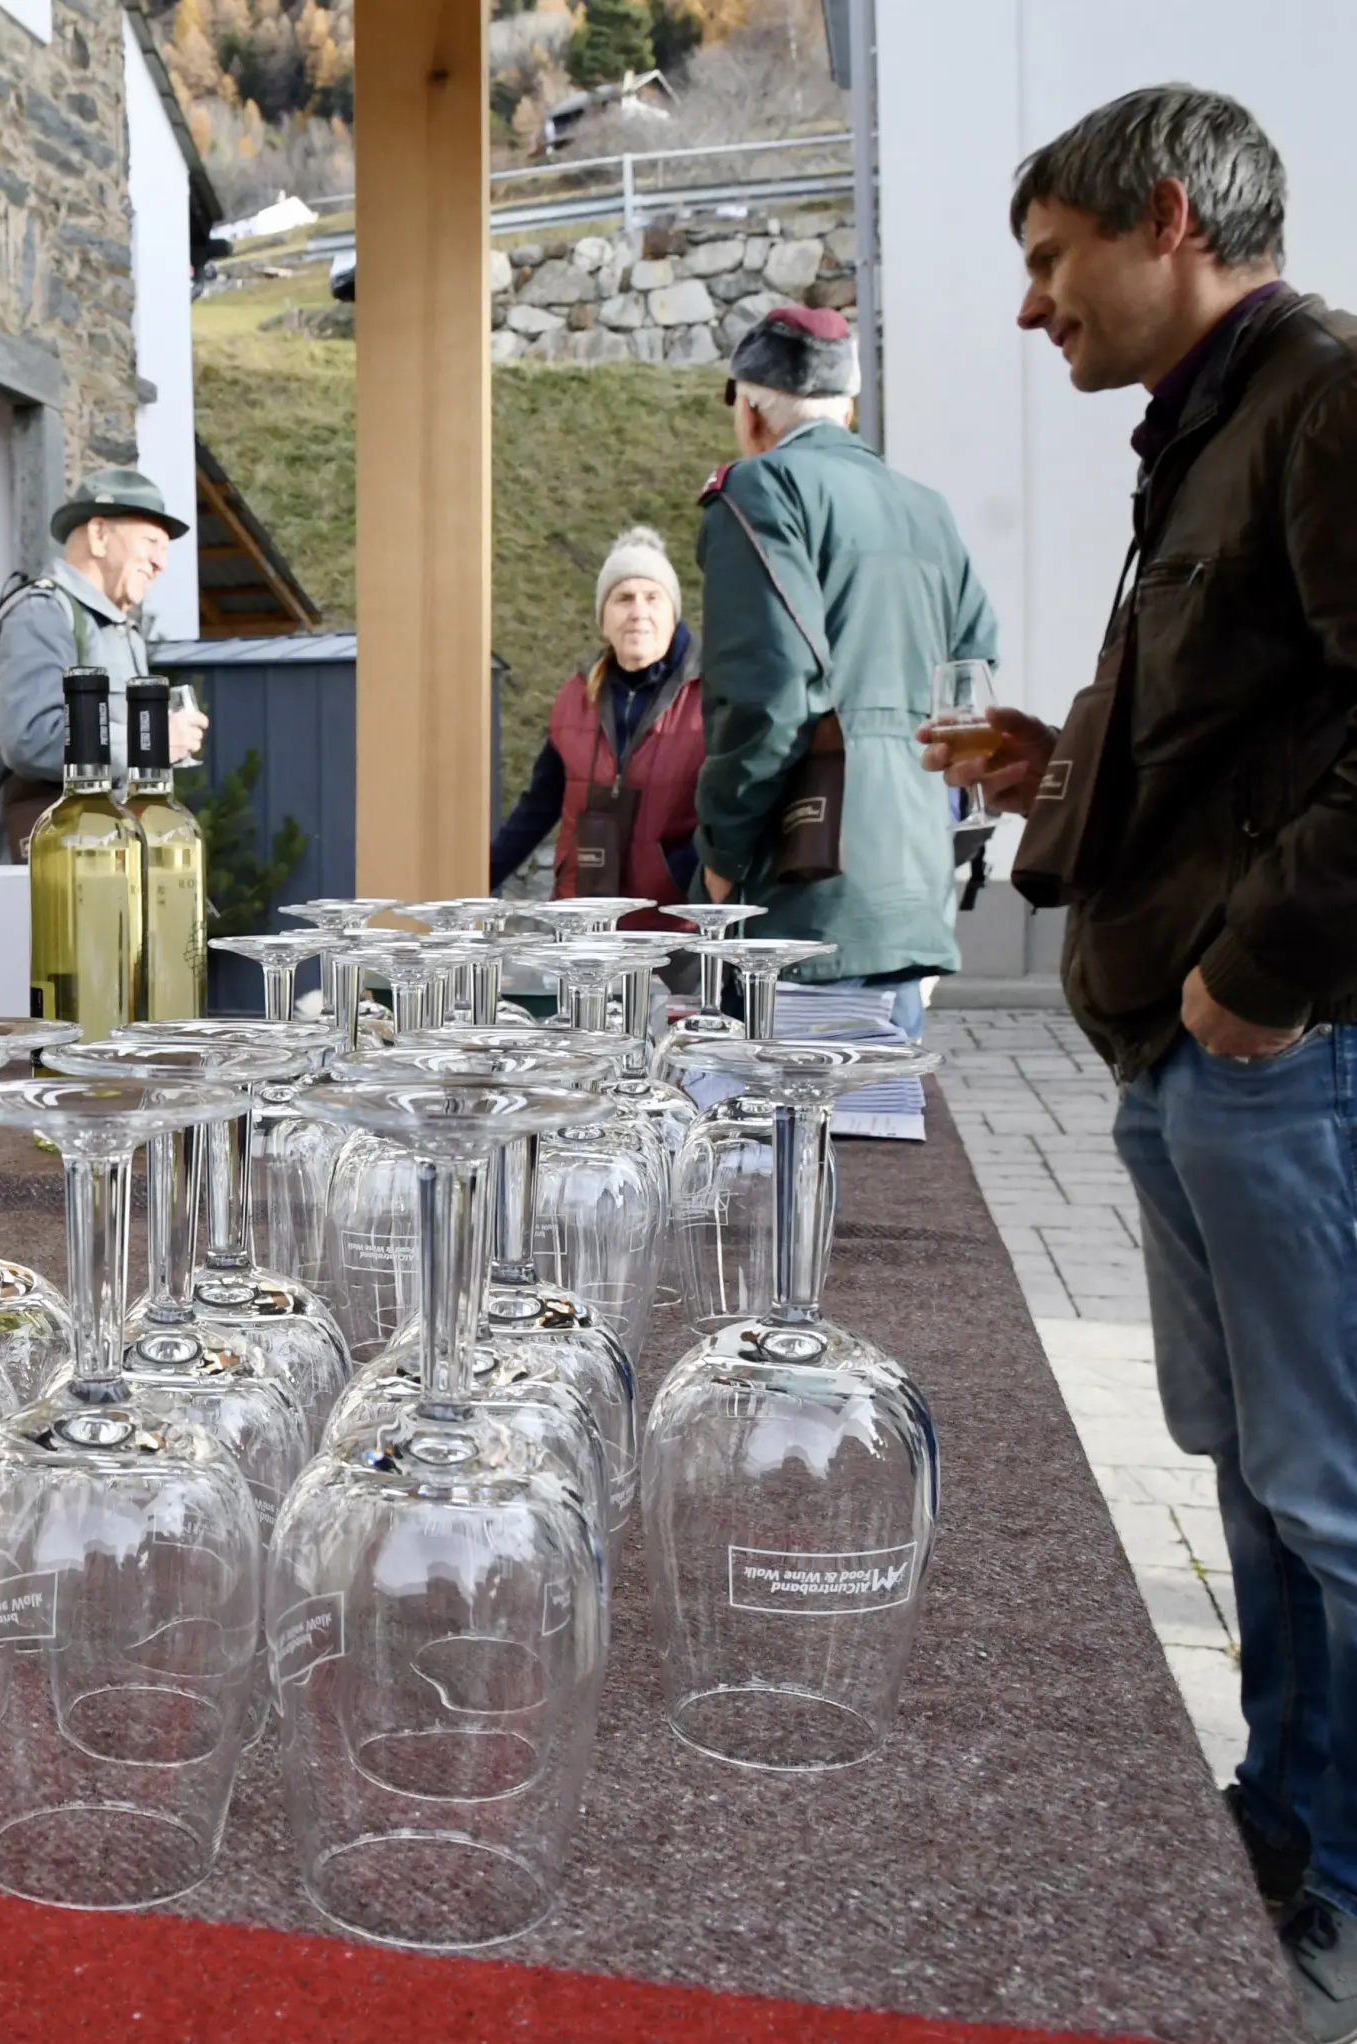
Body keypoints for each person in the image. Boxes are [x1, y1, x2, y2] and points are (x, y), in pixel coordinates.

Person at [931, 86, 1357, 2038]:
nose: (1032, 308)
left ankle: (1329, 1858)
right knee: (1260, 1483)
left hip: (1280, 1056)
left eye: (1047, 258)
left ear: (1165, 217)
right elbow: (1247, 725)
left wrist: (1250, 983)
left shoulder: (1325, 394)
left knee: (1326, 1487)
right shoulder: (1209, 428)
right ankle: (1286, 1818)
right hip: (1199, 1061)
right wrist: (1053, 764)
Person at [693, 305, 998, 1039]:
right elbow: (974, 684)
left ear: (752, 412)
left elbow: (766, 695)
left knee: (778, 1144)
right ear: (850, 407)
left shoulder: (759, 491)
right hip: (916, 888)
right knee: (881, 1142)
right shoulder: (929, 510)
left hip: (803, 889)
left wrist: (721, 856)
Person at [0, 467, 205, 862]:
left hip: (106, 852)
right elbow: (30, 739)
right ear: (99, 534)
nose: (161, 562)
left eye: (165, 549)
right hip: (61, 859)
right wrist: (149, 740)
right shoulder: (41, 614)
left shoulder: (121, 629)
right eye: (151, 542)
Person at [488, 524, 704, 925]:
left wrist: (685, 873)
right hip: (582, 924)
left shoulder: (712, 694)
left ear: (672, 612)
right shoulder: (576, 695)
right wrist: (477, 880)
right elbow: (540, 805)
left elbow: (733, 809)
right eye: (623, 598)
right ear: (603, 619)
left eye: (652, 598)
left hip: (672, 929)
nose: (638, 611)